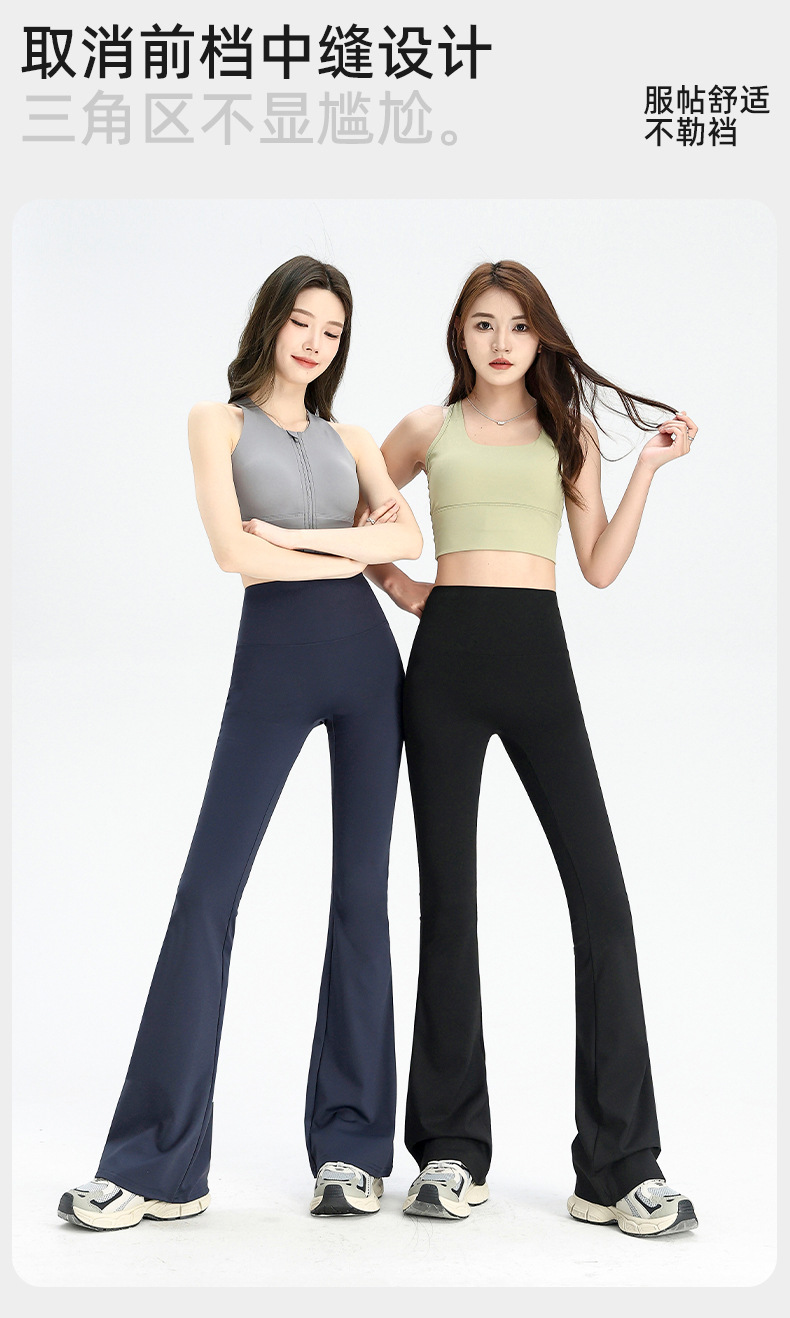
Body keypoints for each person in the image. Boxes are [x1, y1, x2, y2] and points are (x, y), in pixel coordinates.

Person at [58, 255, 422, 1230]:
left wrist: (303, 542)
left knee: (361, 901)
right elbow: (232, 552)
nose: (315, 343)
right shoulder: (215, 423)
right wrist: (349, 542)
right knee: (207, 894)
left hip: (368, 671)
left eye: (333, 331)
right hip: (272, 669)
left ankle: (351, 1153)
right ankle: (156, 1166)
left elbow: (406, 543)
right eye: (303, 321)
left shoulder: (352, 436)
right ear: (270, 320)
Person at [363, 259, 699, 1237]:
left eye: (516, 324)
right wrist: (403, 585)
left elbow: (598, 566)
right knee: (449, 906)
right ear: (459, 335)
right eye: (482, 324)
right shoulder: (425, 429)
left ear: (540, 335)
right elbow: (356, 507)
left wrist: (646, 472)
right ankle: (449, 1152)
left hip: (539, 661)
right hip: (445, 666)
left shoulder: (569, 433)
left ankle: (618, 1168)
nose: (500, 341)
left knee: (602, 902)